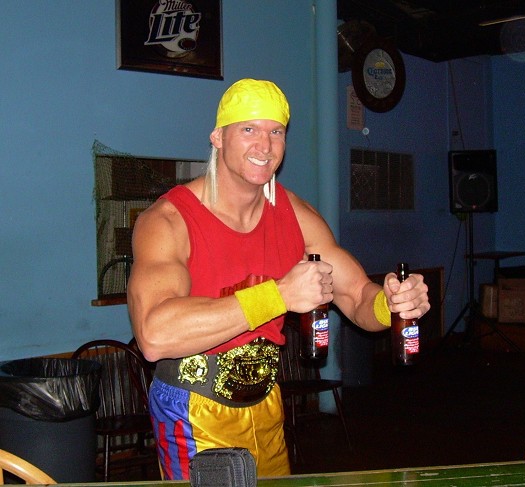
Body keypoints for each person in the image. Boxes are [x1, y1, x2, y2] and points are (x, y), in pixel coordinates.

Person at [127, 78, 430, 480]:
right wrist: (279, 296)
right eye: (248, 129)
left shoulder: (295, 214)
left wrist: (390, 303)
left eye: (276, 132)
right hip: (192, 408)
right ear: (218, 138)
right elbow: (154, 335)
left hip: (266, 404)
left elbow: (357, 294)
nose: (264, 145)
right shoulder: (168, 220)